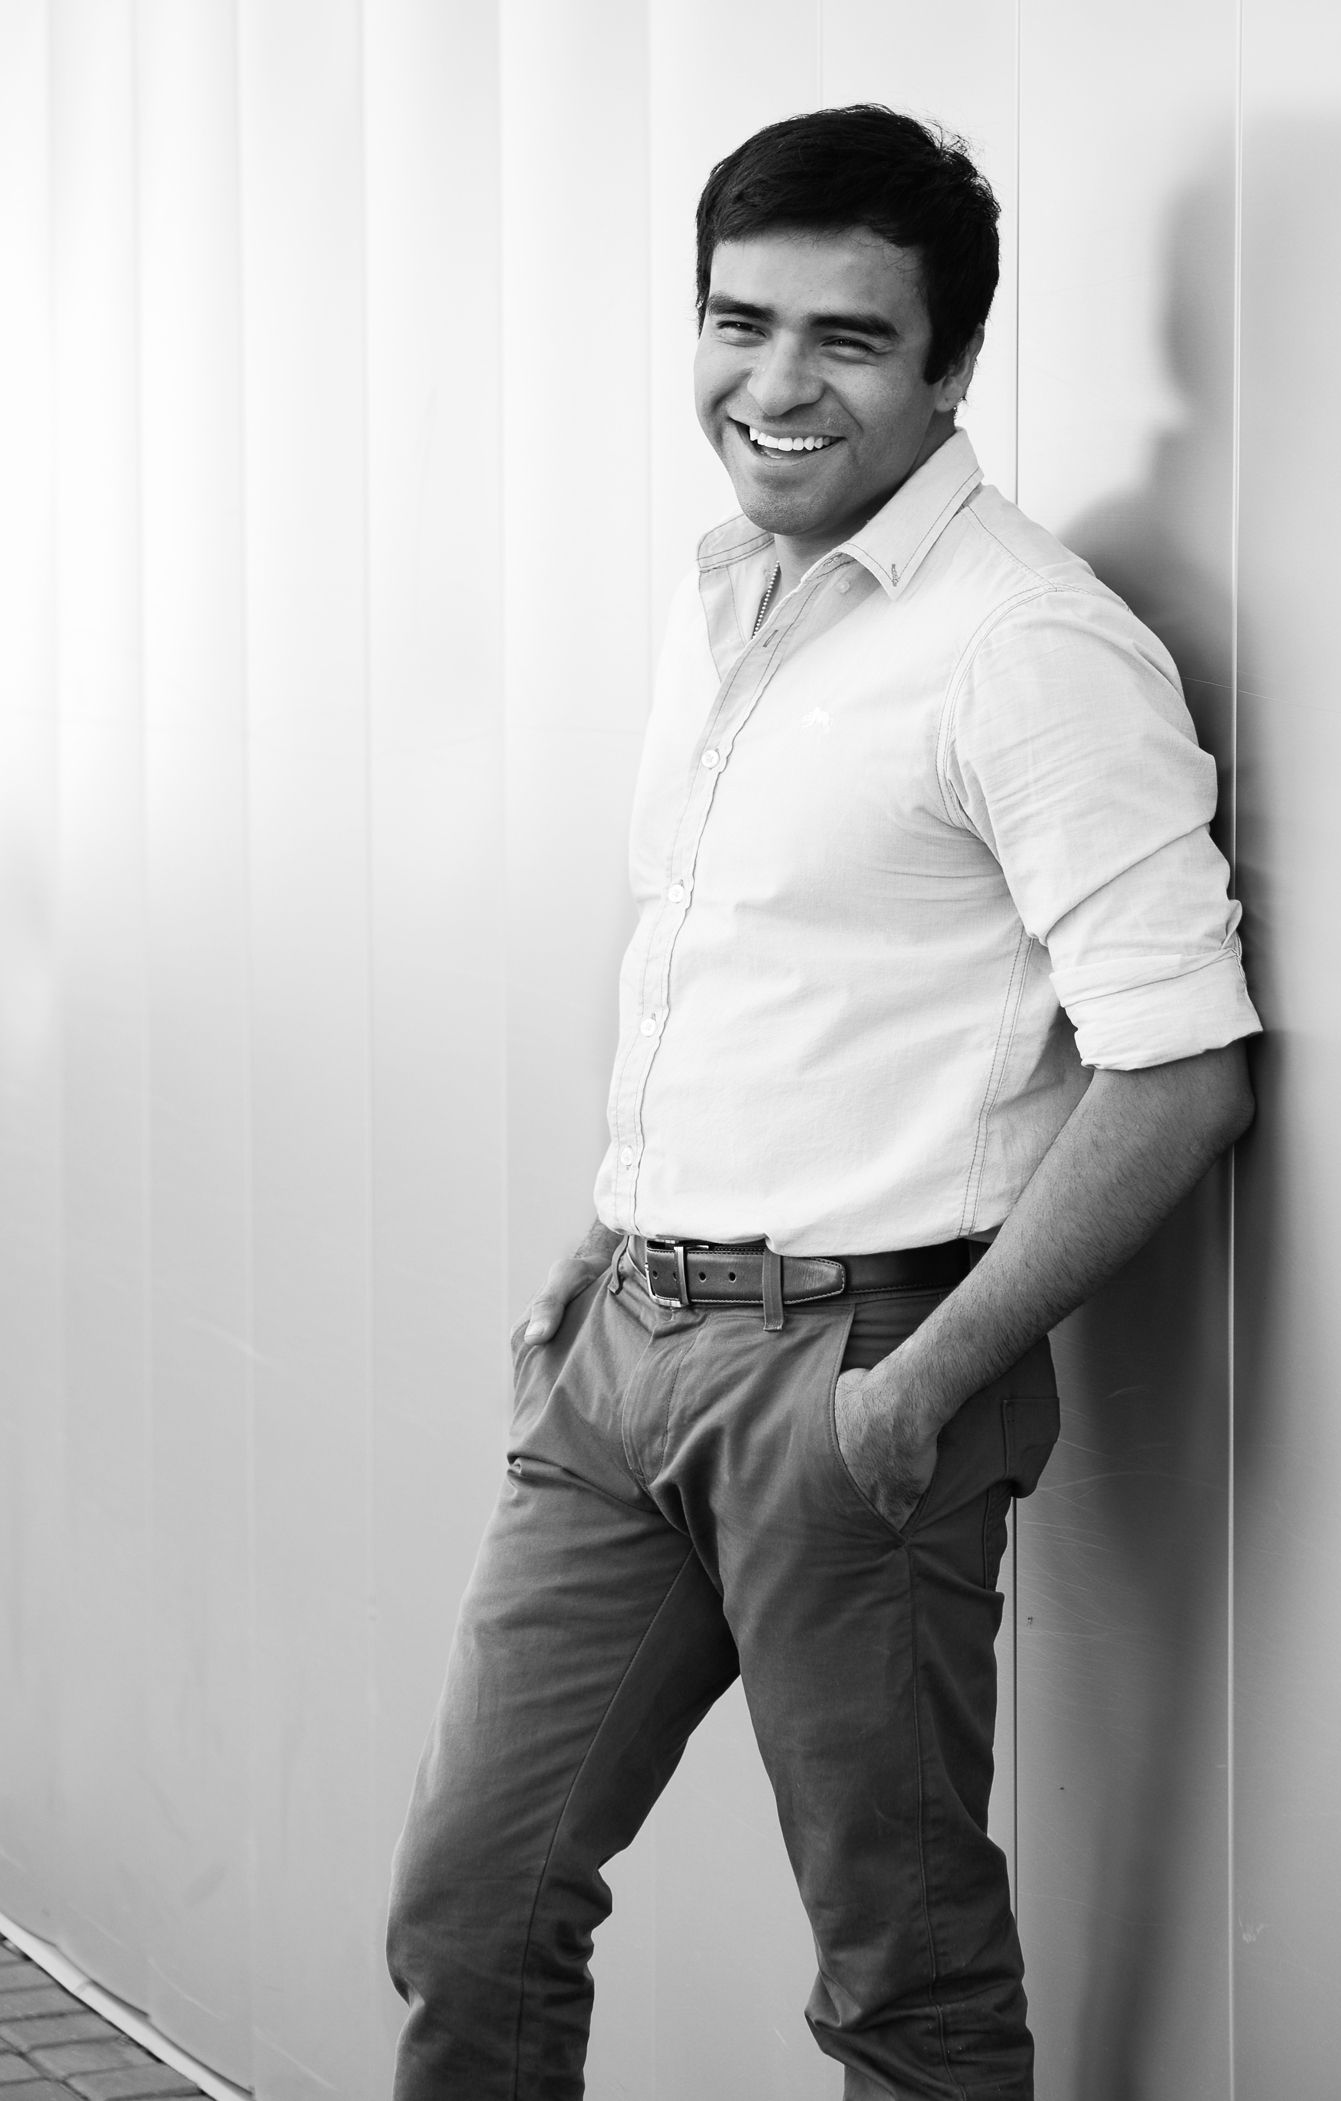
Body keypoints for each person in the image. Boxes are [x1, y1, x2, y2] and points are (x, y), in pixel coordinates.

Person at [386, 104, 1259, 2101]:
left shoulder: (1027, 648)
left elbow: (1179, 1071)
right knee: (471, 1908)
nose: (774, 383)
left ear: (950, 366)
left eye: (846, 338)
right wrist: (603, 1240)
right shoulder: (732, 594)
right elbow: (760, 984)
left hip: (855, 1371)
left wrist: (924, 1378)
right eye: (739, 321)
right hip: (624, 1353)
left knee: (899, 1973)